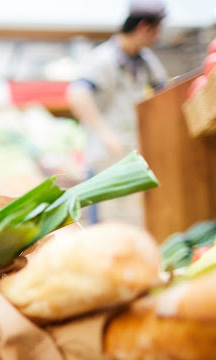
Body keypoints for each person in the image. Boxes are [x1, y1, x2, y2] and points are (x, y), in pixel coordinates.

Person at [66, 0, 168, 226]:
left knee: (131, 222)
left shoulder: (146, 61)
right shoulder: (102, 58)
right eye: (156, 32)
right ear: (143, 27)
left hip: (132, 154)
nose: (156, 38)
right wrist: (105, 134)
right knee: (104, 225)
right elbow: (77, 95)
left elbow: (165, 91)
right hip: (106, 156)